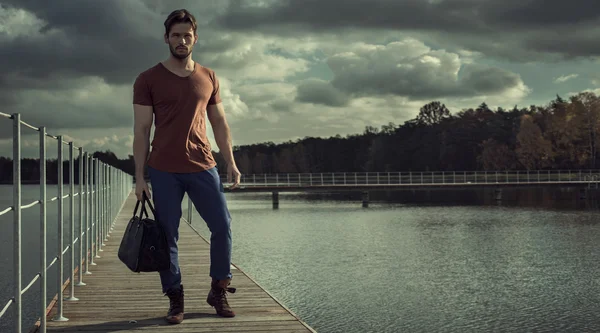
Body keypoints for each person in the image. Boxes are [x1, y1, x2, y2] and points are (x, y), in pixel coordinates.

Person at [131, 8, 241, 325]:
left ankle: (218, 288)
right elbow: (141, 131)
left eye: (187, 35)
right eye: (176, 35)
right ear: (167, 38)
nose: (182, 40)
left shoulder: (208, 77)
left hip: (203, 165)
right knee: (168, 236)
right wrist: (140, 177)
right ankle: (175, 296)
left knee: (222, 226)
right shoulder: (148, 79)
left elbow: (219, 123)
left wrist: (230, 162)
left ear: (195, 38)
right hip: (164, 168)